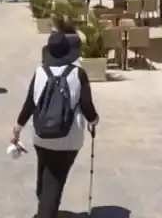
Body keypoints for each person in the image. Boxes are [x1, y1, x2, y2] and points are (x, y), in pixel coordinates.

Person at [13, 32, 100, 218]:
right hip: (69, 139)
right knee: (55, 178)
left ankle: (44, 202)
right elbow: (86, 106)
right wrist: (94, 120)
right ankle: (46, 210)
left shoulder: (40, 72)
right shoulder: (78, 74)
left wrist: (18, 127)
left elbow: (30, 103)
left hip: (40, 135)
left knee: (45, 169)